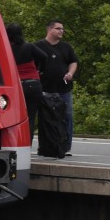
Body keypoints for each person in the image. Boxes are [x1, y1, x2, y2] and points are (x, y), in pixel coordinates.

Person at [33, 19, 79, 154]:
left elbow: (73, 62)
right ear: (50, 30)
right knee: (44, 117)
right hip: (44, 89)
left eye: (63, 29)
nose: (61, 31)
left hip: (63, 88)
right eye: (58, 28)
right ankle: (45, 146)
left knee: (67, 116)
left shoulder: (66, 47)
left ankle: (65, 146)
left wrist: (70, 73)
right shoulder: (38, 46)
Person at [6, 23, 44, 135]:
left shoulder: (7, 49)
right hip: (33, 83)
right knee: (31, 117)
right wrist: (39, 69)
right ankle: (28, 144)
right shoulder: (29, 46)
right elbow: (44, 57)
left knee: (16, 116)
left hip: (17, 85)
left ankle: (17, 141)